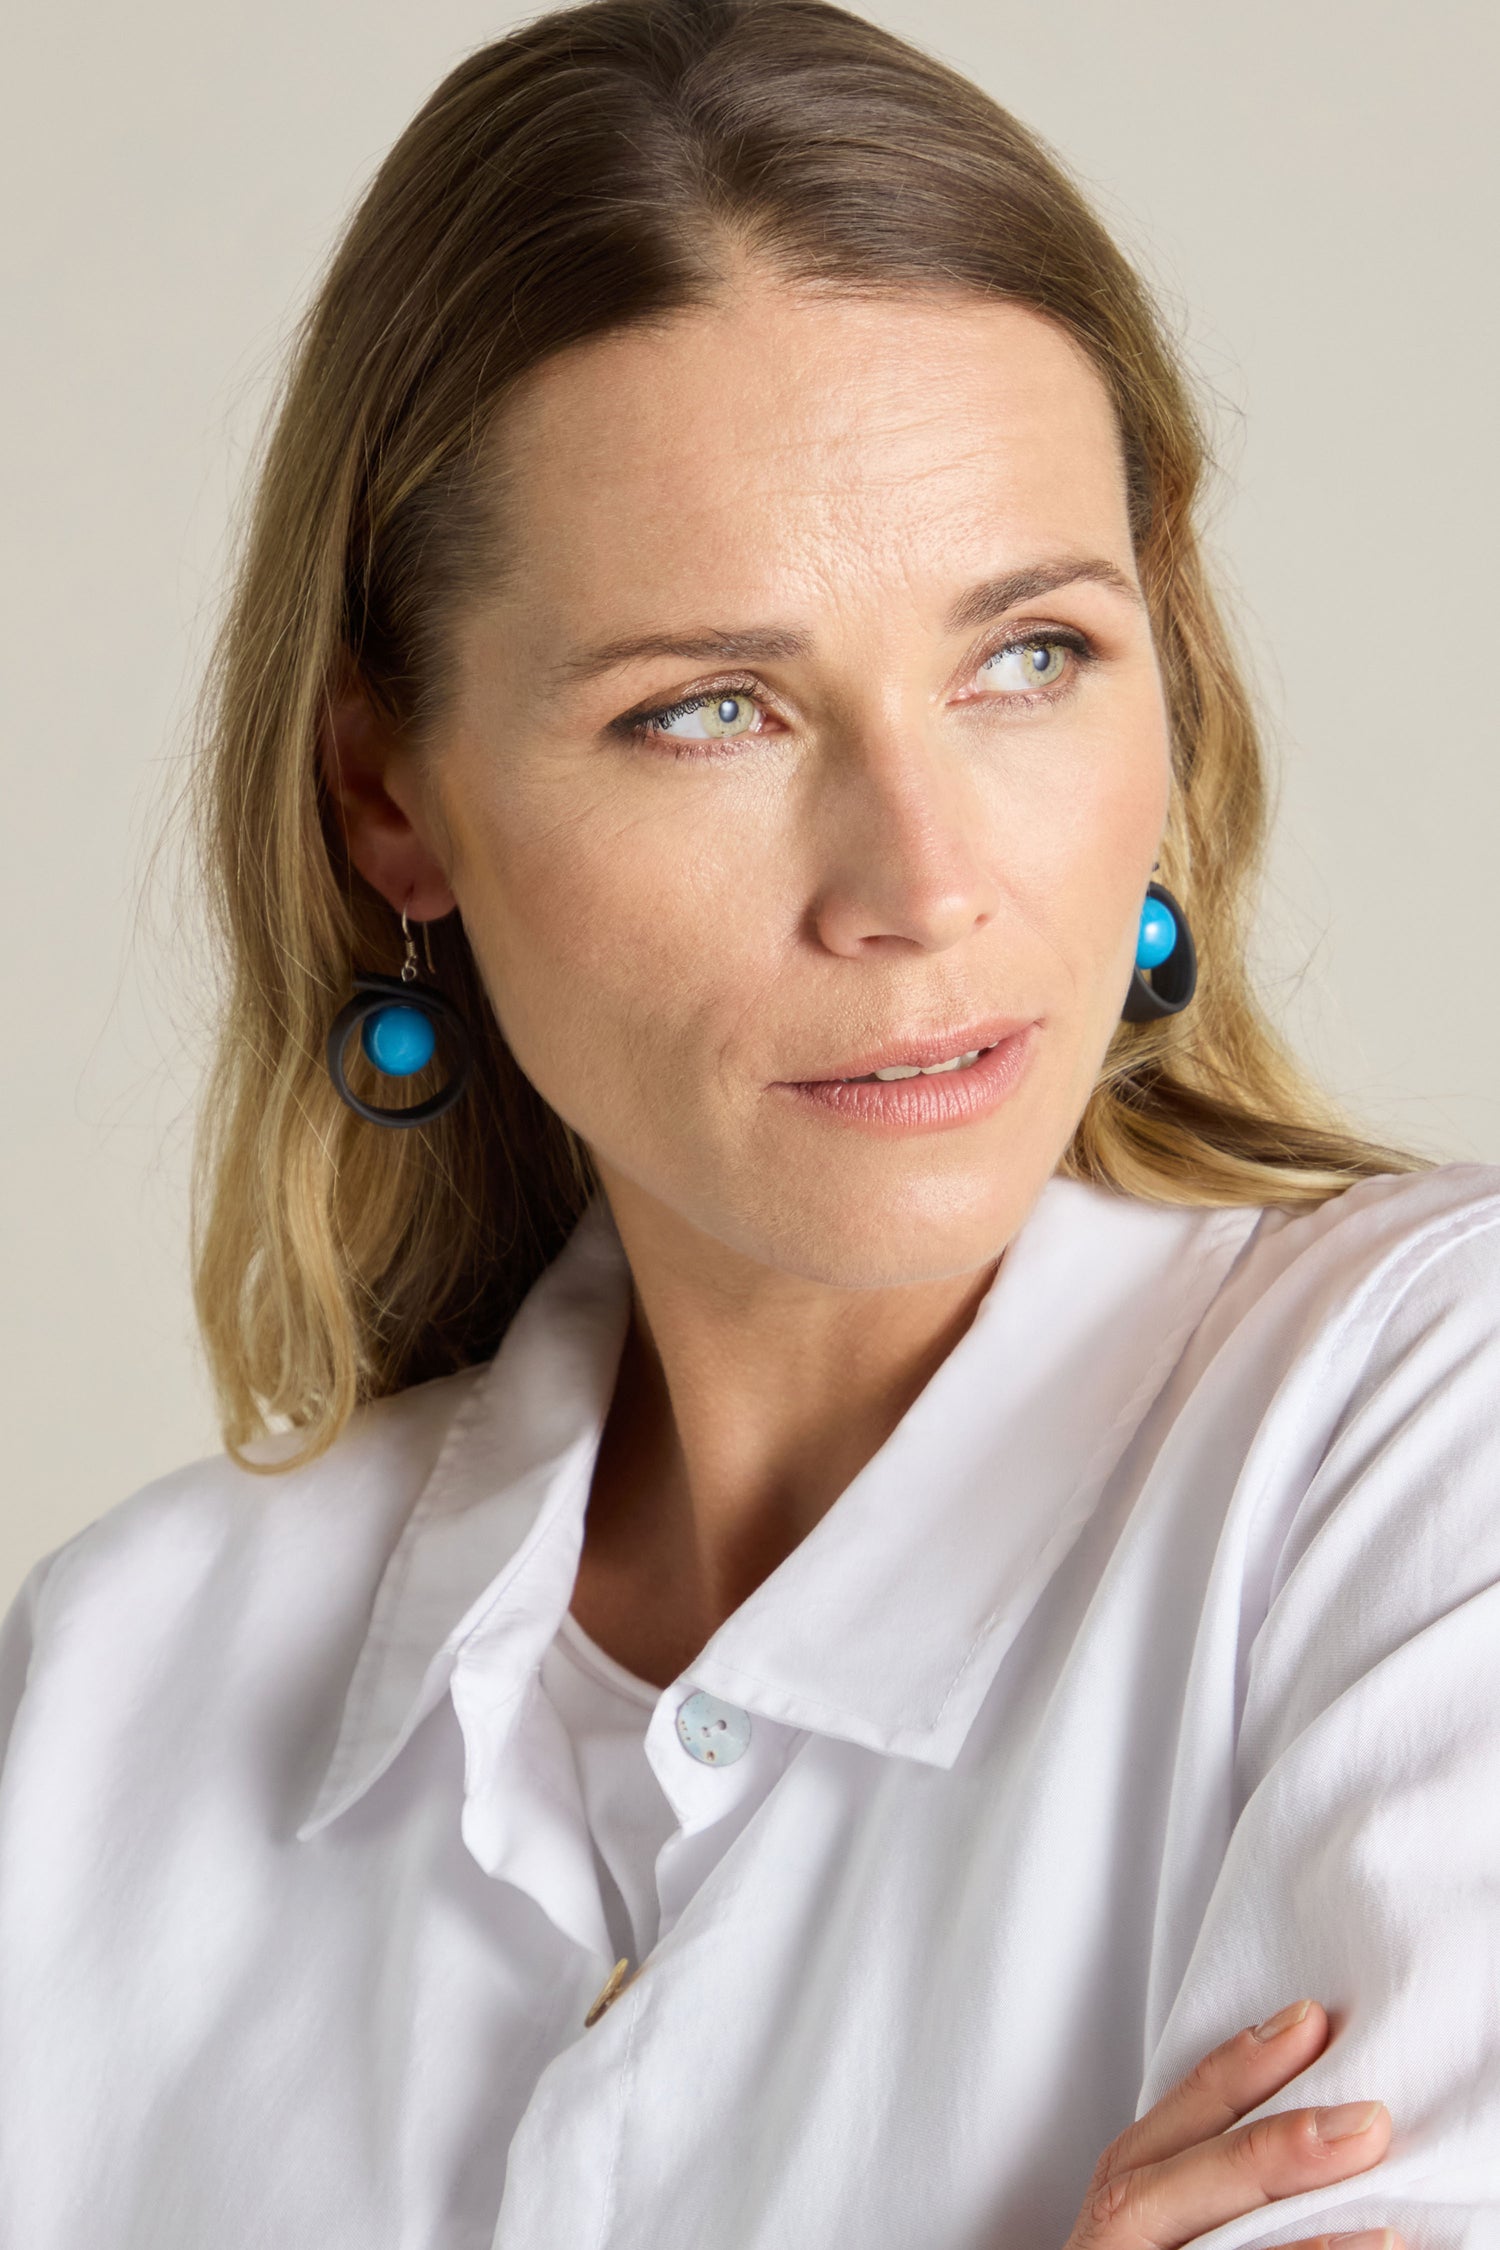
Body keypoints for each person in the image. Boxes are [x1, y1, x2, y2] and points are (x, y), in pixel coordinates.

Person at [1, 0, 1496, 2243]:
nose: (924, 886)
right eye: (712, 706)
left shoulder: (1427, 1433)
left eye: (1031, 656)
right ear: (390, 792)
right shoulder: (114, 1691)